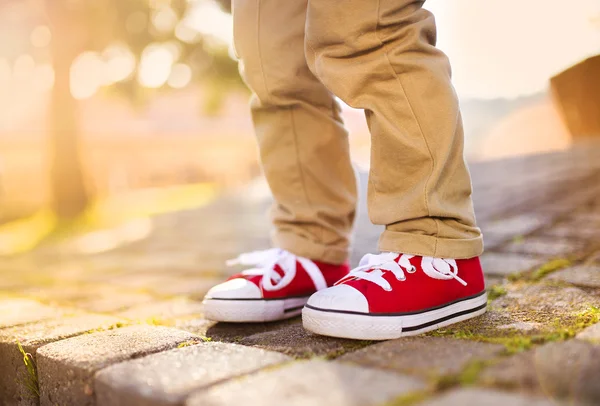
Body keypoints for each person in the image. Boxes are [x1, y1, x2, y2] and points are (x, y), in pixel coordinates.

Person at [202, 0, 486, 340]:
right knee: (274, 66)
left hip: (443, 256)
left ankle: (439, 250)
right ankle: (314, 250)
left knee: (367, 28)